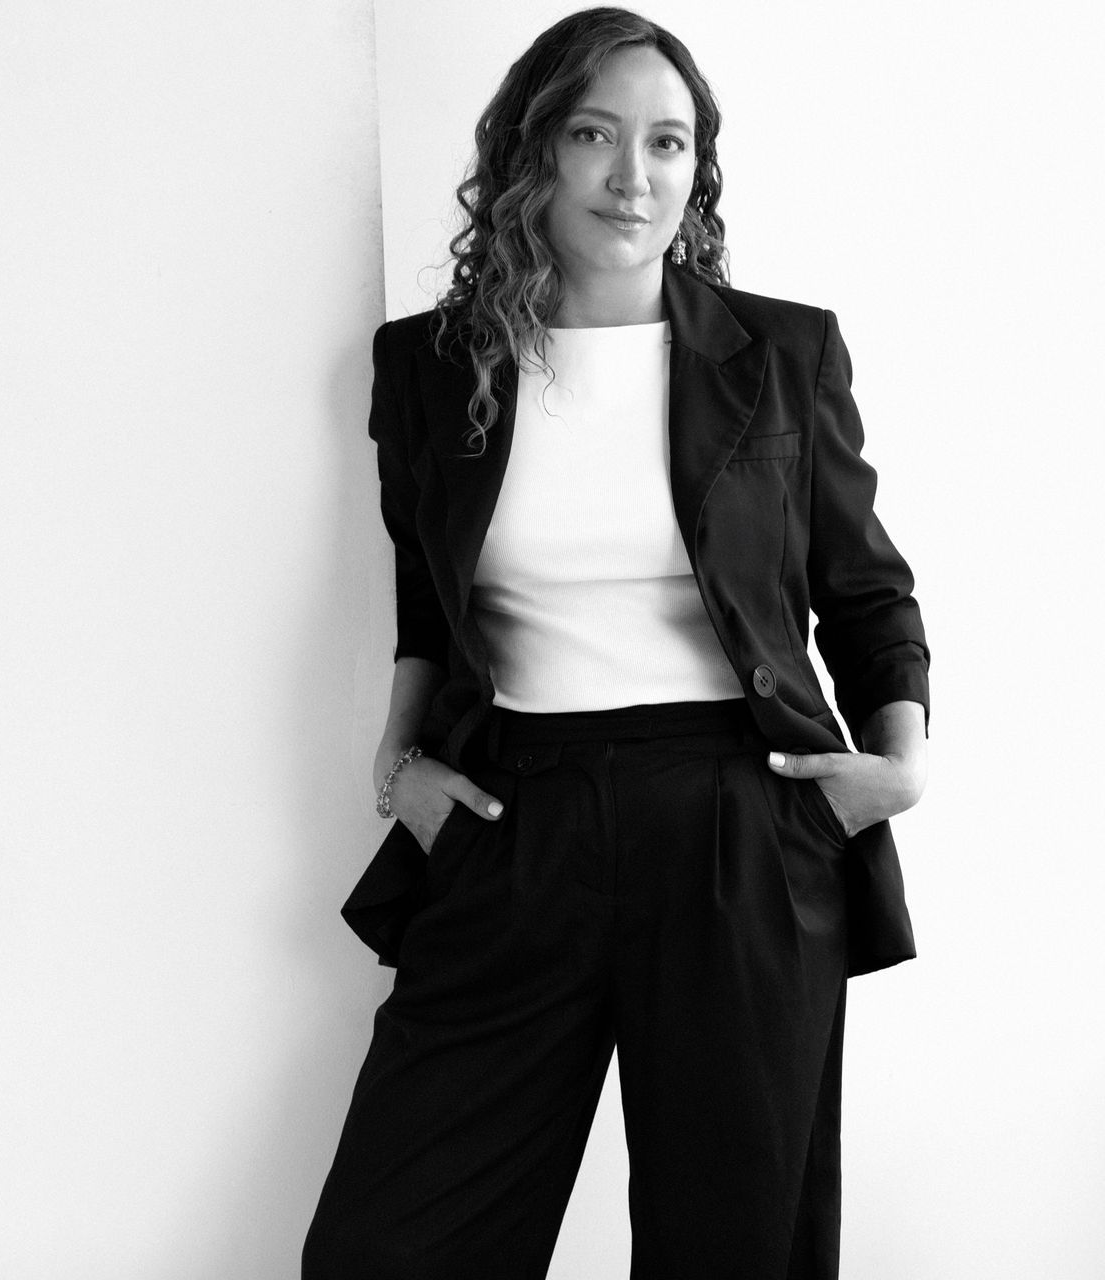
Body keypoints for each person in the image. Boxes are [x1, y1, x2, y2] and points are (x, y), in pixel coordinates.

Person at [302, 7, 930, 1278]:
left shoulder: (781, 353)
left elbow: (866, 593)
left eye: (666, 141)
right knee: (390, 1242)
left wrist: (895, 767)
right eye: (592, 134)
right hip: (510, 819)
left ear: (697, 168)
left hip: (740, 821)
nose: (631, 175)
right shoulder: (430, 366)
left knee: (735, 1247)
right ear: (529, 151)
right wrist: (397, 760)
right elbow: (428, 597)